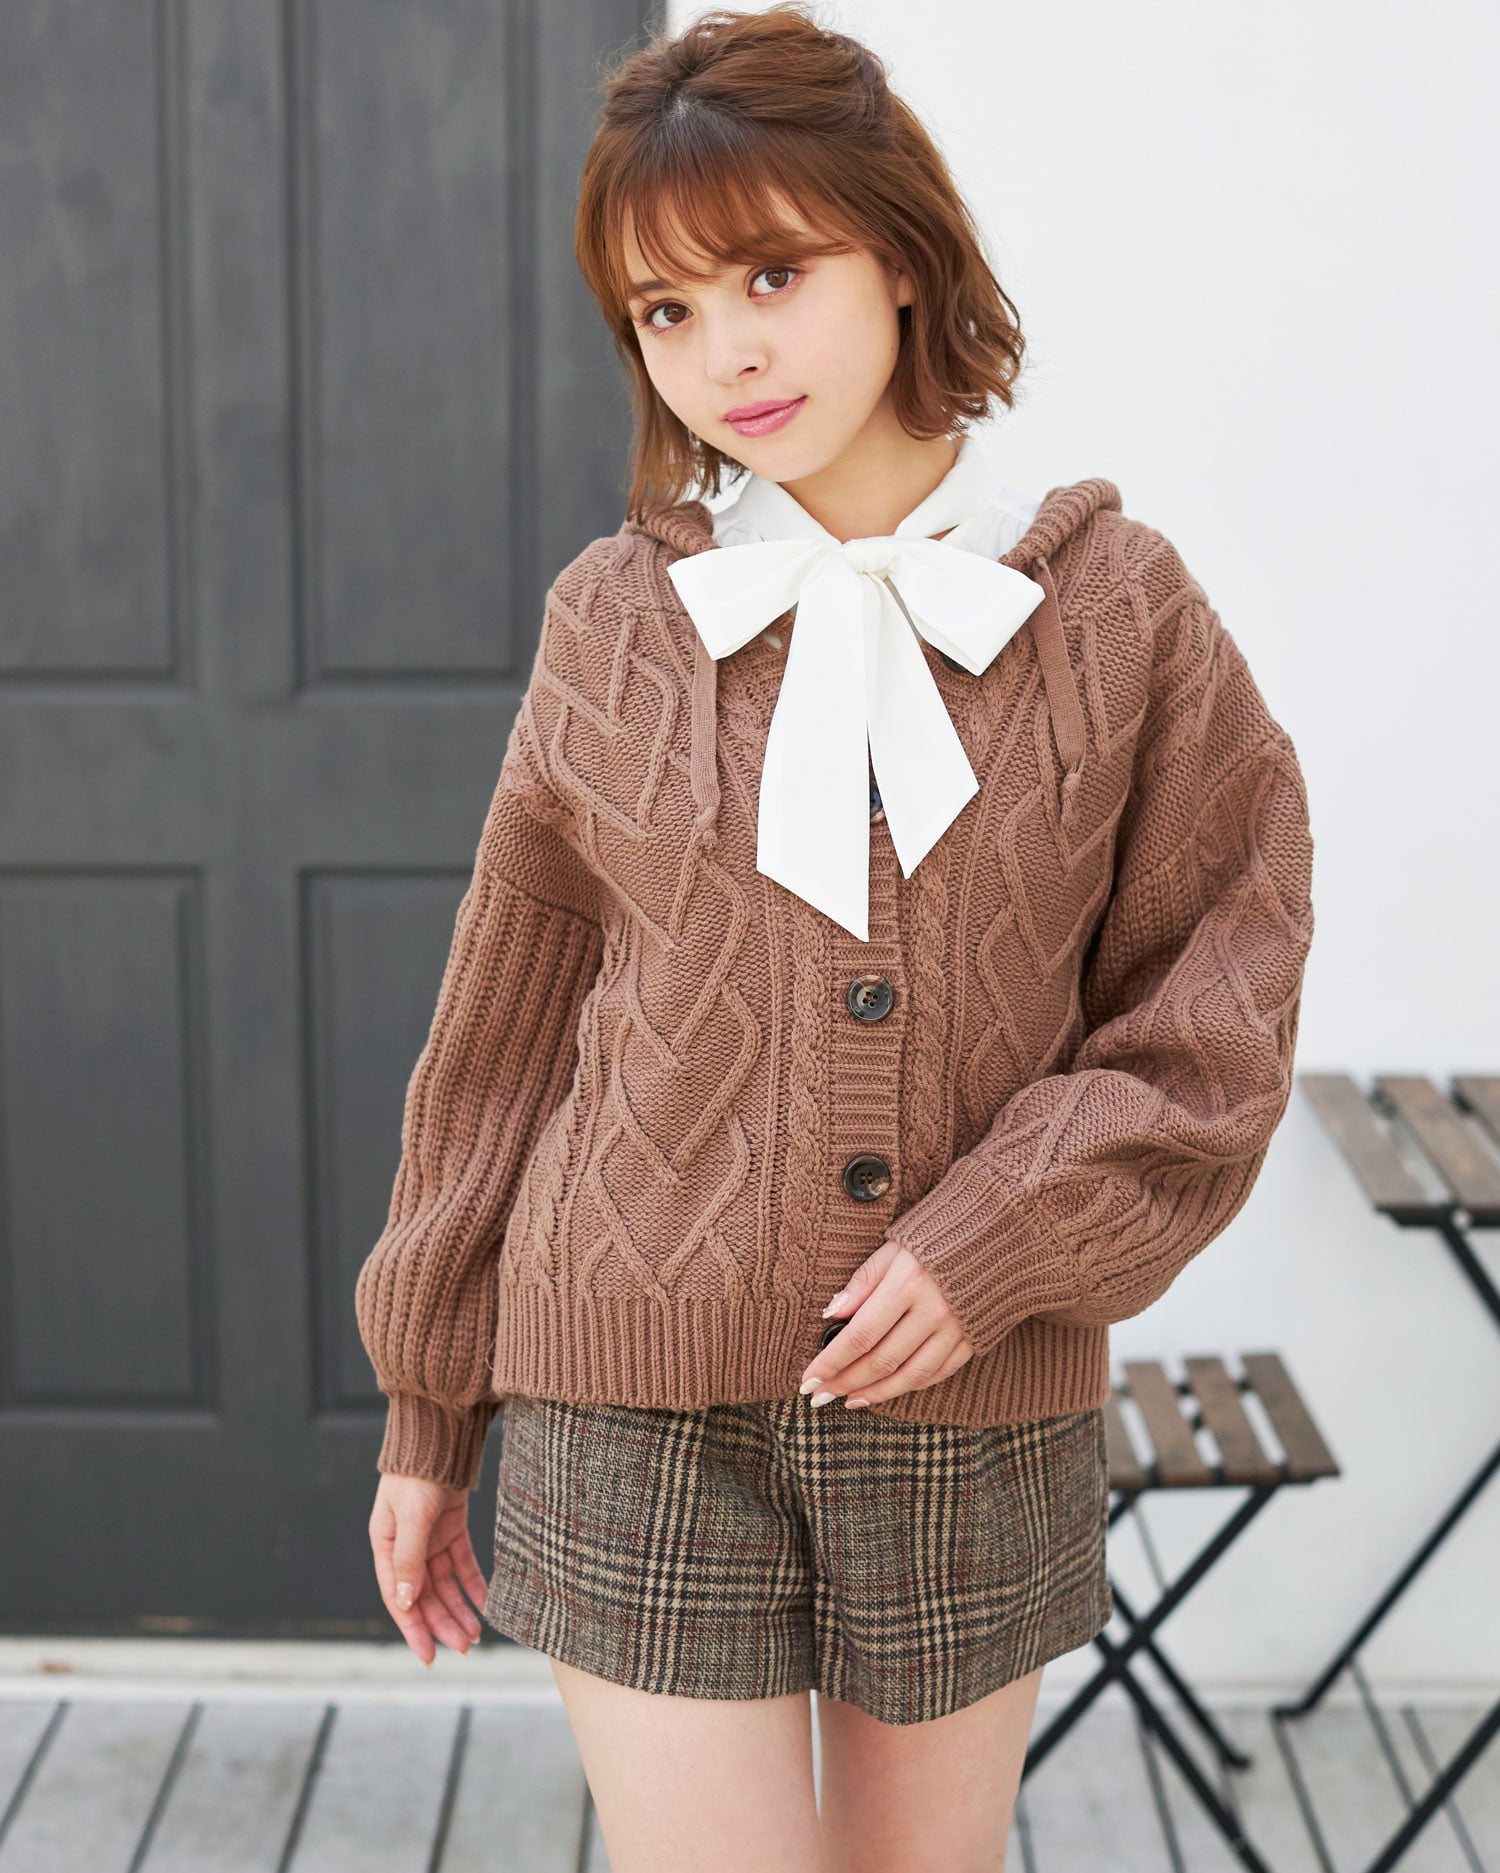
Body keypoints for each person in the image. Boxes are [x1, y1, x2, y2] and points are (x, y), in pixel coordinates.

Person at [354, 7, 1315, 1870]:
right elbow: (504, 1040)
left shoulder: (1114, 611)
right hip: (629, 1391)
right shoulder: (617, 622)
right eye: (665, 310)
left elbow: (1222, 999)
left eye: (772, 275)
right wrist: (427, 1402)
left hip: (969, 1400)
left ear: (902, 254)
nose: (725, 352)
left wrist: (1002, 1234)